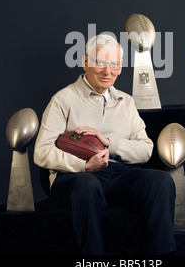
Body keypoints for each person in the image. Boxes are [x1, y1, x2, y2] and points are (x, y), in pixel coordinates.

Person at [34, 34, 176, 255]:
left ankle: (161, 255)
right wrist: (84, 166)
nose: (108, 71)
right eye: (101, 62)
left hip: (117, 172)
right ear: (85, 62)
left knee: (161, 181)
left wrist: (108, 143)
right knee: (87, 185)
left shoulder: (126, 102)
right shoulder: (63, 100)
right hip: (74, 176)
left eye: (115, 64)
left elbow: (146, 149)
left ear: (120, 68)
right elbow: (42, 152)